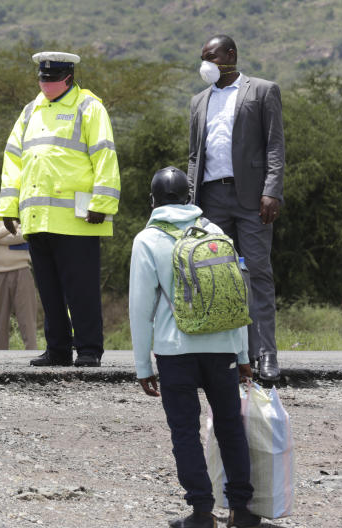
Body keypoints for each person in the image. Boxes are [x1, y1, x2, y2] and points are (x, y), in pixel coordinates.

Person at [129, 167, 260, 528]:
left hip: (175, 351)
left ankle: (202, 512)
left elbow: (140, 310)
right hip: (223, 348)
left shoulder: (147, 239)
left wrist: (143, 366)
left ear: (153, 200)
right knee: (230, 426)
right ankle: (242, 510)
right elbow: (236, 299)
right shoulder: (215, 231)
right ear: (189, 197)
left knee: (185, 431)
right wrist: (244, 355)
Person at [0, 51, 120, 368]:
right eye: (41, 79)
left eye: (50, 79)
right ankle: (58, 349)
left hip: (78, 218)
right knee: (49, 291)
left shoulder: (89, 107)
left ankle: (89, 349)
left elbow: (105, 155)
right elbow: (13, 159)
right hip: (37, 218)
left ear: (68, 78)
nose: (45, 84)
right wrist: (9, 207)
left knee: (81, 289)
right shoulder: (30, 111)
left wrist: (102, 204)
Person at [188, 35, 285, 381]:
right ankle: (223, 356)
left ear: (231, 55)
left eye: (211, 57)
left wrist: (272, 191)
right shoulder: (199, 101)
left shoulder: (261, 91)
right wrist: (190, 204)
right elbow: (193, 157)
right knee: (214, 275)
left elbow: (274, 145)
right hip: (211, 200)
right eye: (203, 58)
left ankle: (265, 354)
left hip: (252, 198)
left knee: (257, 272)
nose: (206, 64)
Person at [0, 204, 38, 350]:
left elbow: (26, 235)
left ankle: (33, 356)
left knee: (27, 321)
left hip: (22, 269)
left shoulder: (25, 209)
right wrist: (10, 227)